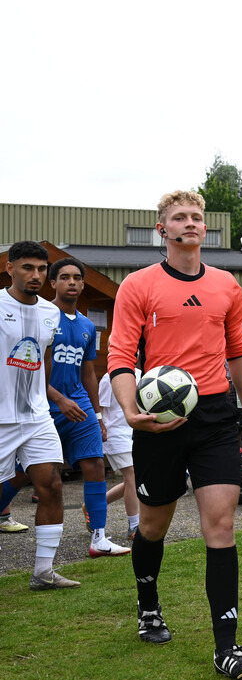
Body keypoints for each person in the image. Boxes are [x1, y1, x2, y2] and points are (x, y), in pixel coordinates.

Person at [107, 190, 242, 678]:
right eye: (179, 217)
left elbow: (238, 351)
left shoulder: (225, 285)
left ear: (205, 228)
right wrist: (131, 411)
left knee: (220, 526)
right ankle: (148, 606)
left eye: (196, 216)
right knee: (153, 526)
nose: (190, 223)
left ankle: (227, 647)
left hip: (215, 416)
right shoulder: (138, 285)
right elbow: (120, 355)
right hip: (158, 419)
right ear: (163, 229)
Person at [0, 241, 79, 590]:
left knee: (52, 485)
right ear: (10, 268)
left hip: (36, 416)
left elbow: (43, 361)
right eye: (27, 268)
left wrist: (49, 398)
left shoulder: (51, 312)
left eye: (42, 269)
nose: (36, 275)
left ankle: (43, 572)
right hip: (1, 418)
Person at [45, 258, 131, 558]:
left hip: (79, 403)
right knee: (27, 475)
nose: (72, 282)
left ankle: (99, 538)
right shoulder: (42, 316)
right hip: (42, 404)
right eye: (64, 277)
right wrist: (58, 399)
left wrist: (97, 414)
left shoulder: (87, 325)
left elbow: (88, 372)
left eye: (77, 278)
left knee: (95, 464)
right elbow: (29, 370)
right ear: (53, 283)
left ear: (83, 284)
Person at [98, 368, 140, 541]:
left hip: (135, 432)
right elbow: (100, 407)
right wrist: (101, 428)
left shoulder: (140, 374)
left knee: (134, 480)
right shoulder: (108, 377)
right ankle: (134, 526)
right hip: (115, 433)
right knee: (132, 476)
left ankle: (94, 506)